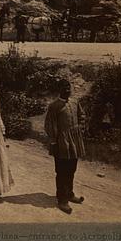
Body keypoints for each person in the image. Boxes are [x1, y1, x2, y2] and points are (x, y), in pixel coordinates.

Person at [44, 80, 86, 214]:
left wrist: (80, 126)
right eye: (64, 87)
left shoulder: (75, 102)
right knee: (62, 171)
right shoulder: (54, 106)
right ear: (59, 90)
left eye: (69, 87)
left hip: (74, 141)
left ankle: (69, 193)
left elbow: (82, 115)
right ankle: (62, 199)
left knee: (72, 169)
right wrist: (54, 143)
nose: (68, 90)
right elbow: (50, 126)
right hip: (61, 142)